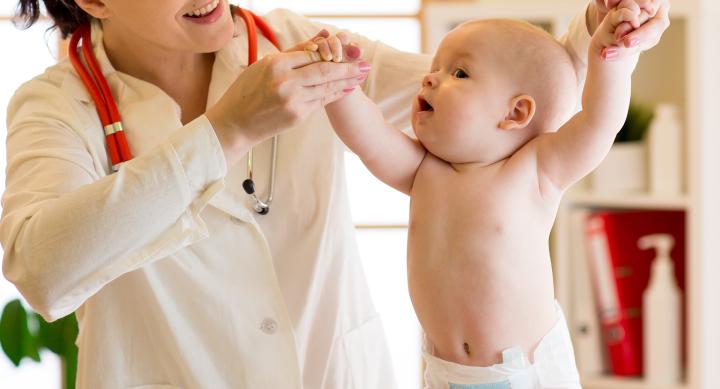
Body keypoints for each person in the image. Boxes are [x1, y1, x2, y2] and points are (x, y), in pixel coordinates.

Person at [0, 0, 667, 388]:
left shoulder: (288, 43)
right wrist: (225, 131)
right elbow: (41, 266)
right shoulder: (57, 107)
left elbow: (499, 94)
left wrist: (604, 26)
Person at [320, 0, 662, 387]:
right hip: (445, 374)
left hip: (522, 374)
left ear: (515, 113)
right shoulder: (422, 170)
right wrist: (338, 85)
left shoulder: (535, 170)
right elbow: (368, 138)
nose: (429, 79)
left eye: (459, 72)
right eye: (434, 69)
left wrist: (609, 55)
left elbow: (600, 122)